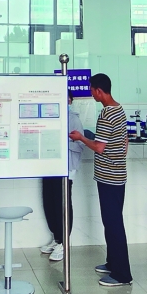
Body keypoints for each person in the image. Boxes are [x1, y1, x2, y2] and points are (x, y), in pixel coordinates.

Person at [69, 74, 132, 287]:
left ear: (98, 90)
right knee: (111, 221)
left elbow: (99, 147)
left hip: (108, 178)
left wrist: (81, 138)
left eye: (91, 90)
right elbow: (124, 141)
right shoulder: (118, 109)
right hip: (118, 175)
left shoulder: (106, 114)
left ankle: (122, 274)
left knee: (113, 224)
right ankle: (112, 262)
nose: (91, 93)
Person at [40, 91, 85, 261]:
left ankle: (64, 242)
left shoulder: (73, 119)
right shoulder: (49, 119)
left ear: (70, 101)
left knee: (62, 205)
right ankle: (57, 238)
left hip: (66, 168)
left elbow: (80, 145)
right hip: (49, 167)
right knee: (49, 203)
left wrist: (61, 143)